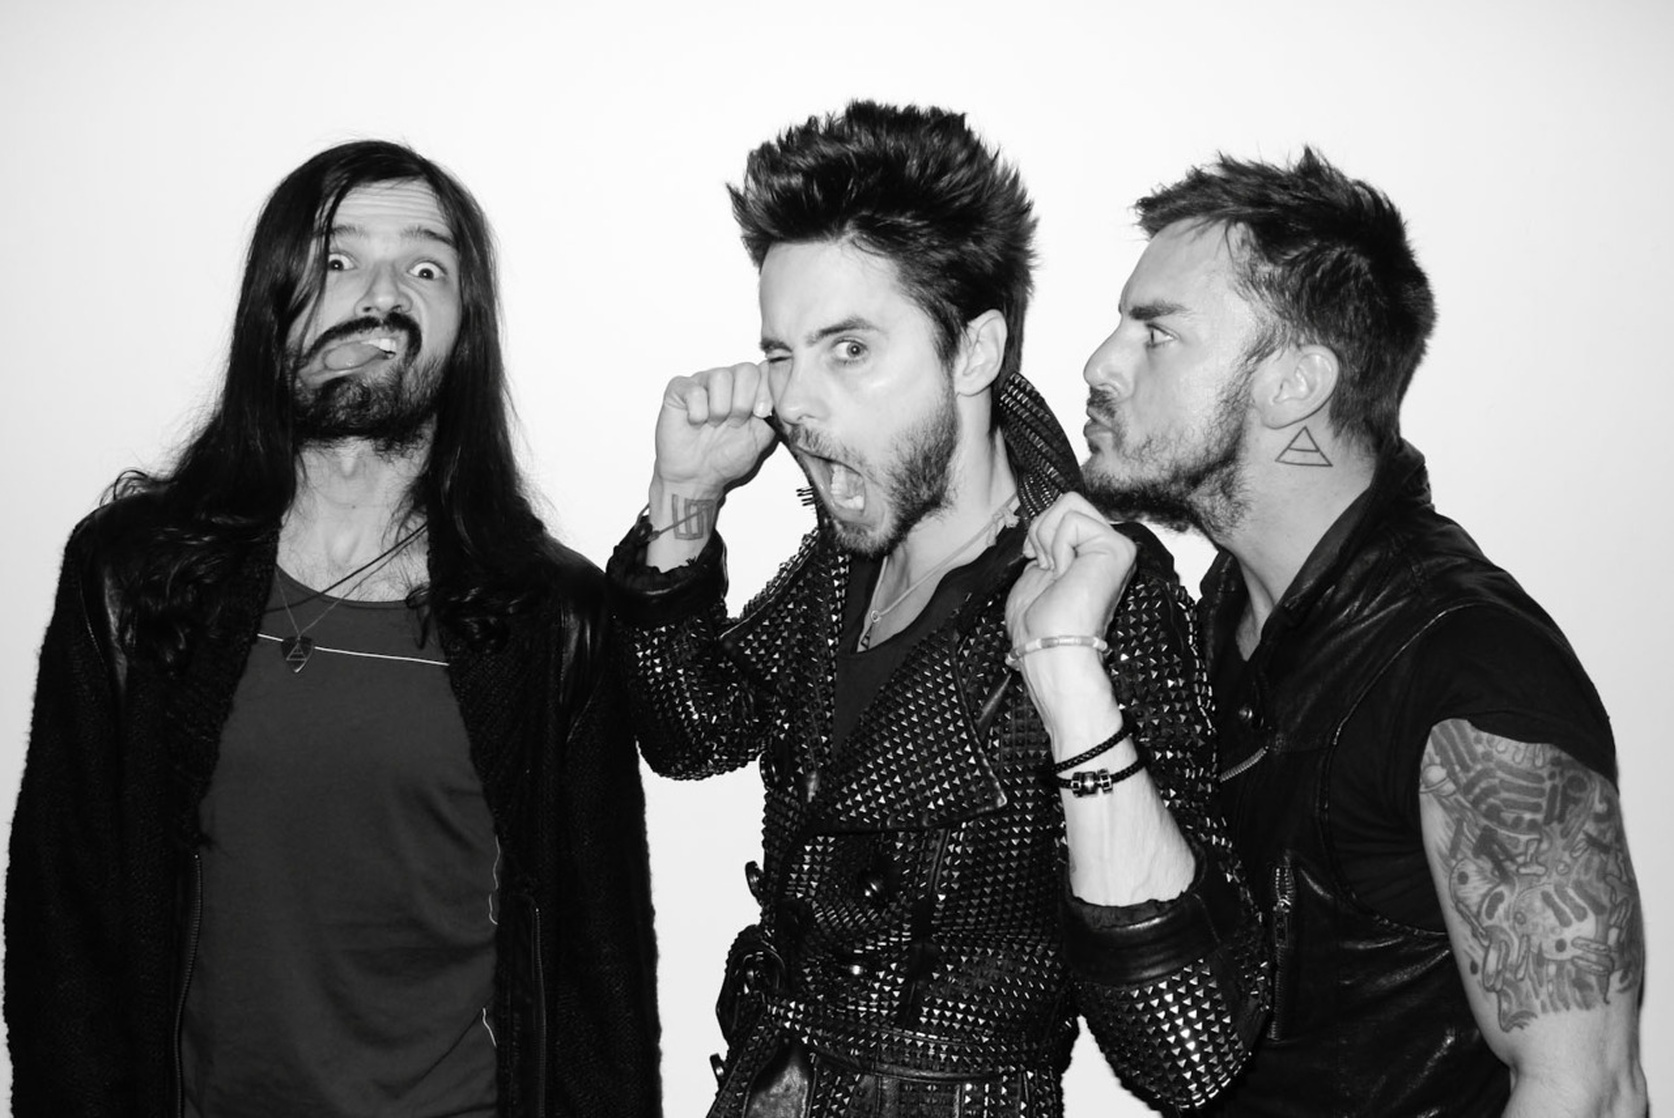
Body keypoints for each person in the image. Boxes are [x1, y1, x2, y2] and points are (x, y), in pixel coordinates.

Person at [607, 100, 1265, 1117]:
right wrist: (682, 501)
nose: (795, 405)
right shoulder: (851, 550)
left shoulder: (1101, 592)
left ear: (974, 351)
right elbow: (693, 733)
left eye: (849, 349)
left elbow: (1190, 1050)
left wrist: (1068, 676)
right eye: (781, 353)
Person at [4, 140, 661, 1117]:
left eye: (425, 268)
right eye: (338, 259)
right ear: (274, 302)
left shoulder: (552, 615)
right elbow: (62, 919)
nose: (379, 295)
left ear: (465, 330)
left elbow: (601, 977)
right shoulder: (131, 578)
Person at [1068, 147, 1647, 1114]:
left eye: (1156, 332)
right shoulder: (1215, 620)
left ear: (1295, 383)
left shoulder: (1471, 668)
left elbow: (1587, 1092)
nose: (1101, 364)